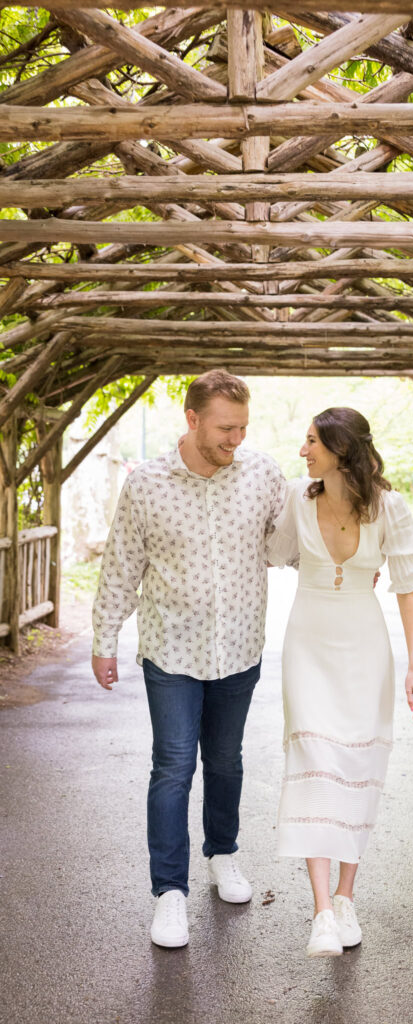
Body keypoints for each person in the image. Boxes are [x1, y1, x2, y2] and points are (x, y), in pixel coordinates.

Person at [91, 370, 286, 949]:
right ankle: (169, 892)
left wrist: (355, 557)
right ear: (193, 419)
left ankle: (222, 854)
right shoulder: (147, 485)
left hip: (239, 648)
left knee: (226, 761)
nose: (236, 440)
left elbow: (297, 536)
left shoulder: (262, 474)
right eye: (227, 428)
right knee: (173, 766)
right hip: (172, 651)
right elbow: (121, 567)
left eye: (244, 427)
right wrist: (105, 639)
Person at [267, 407, 413, 957]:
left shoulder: (390, 507)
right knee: (313, 761)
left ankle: (345, 897)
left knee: (357, 764)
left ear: (340, 448)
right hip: (307, 642)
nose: (304, 450)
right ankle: (320, 916)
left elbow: (406, 586)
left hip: (364, 646)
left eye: (312, 441)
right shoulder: (295, 497)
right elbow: (272, 549)